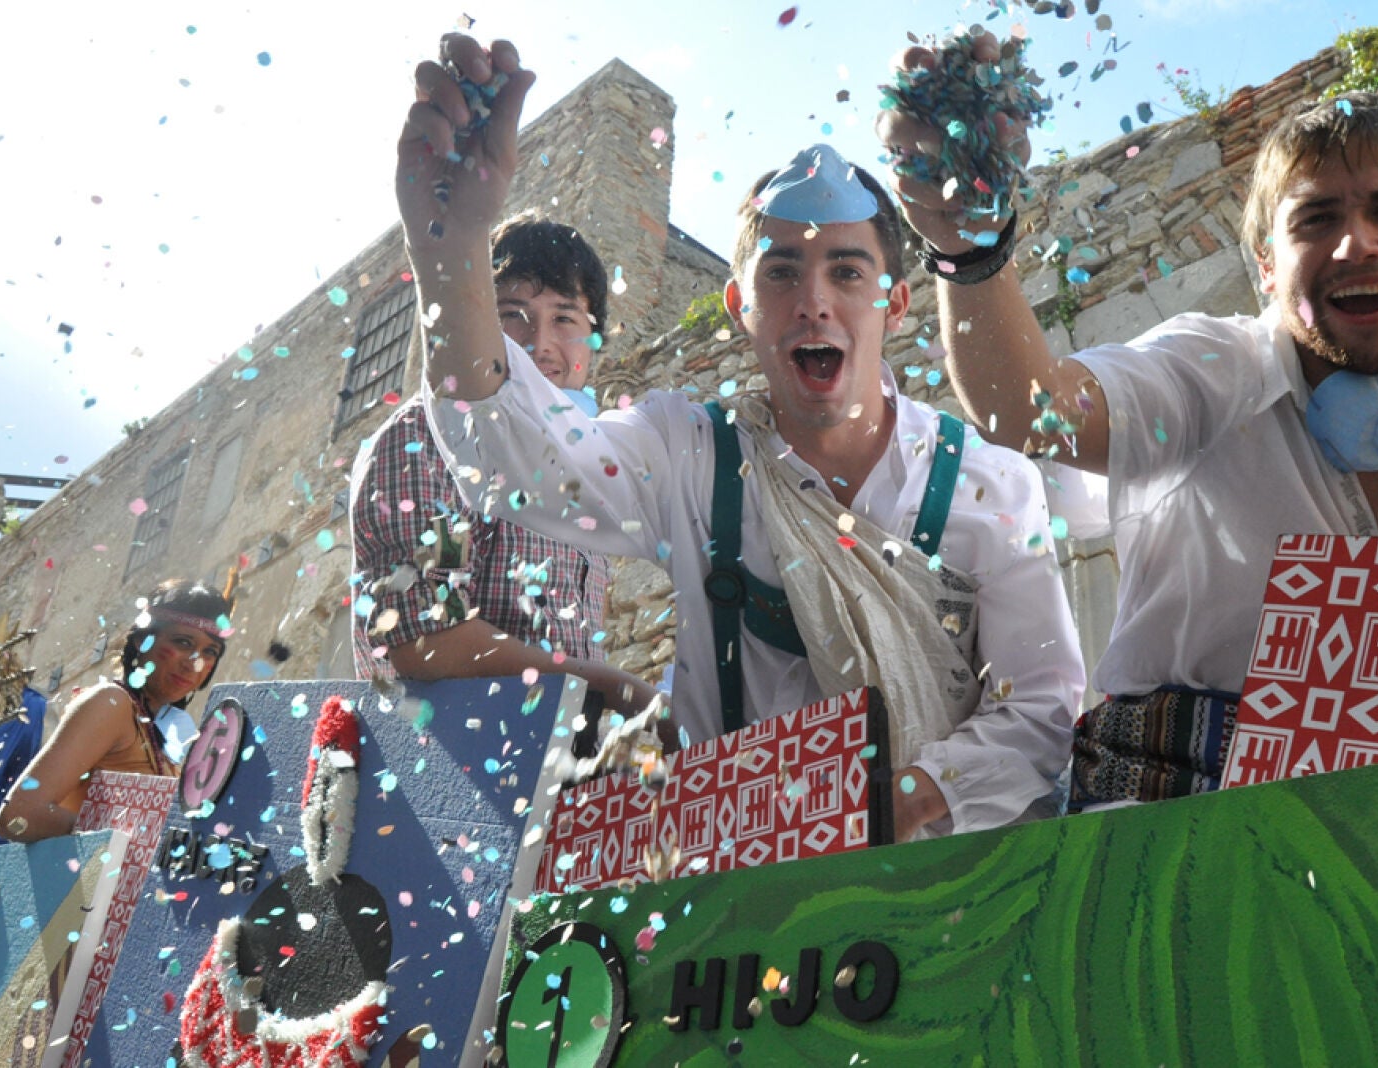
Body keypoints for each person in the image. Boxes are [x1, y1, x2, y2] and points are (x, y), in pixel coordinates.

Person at [396, 33, 1085, 841]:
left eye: (847, 272)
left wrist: (882, 808)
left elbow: (1042, 709)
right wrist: (448, 250)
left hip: (947, 893)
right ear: (739, 307)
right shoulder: (689, 456)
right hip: (736, 901)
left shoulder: (987, 485)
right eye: (782, 272)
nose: (814, 301)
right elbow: (513, 464)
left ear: (895, 305)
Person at [878, 37, 1378, 810]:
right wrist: (969, 247)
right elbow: (1031, 410)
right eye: (1316, 218)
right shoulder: (1214, 370)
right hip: (1185, 822)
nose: (1356, 243)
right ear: (1267, 268)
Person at [349, 211, 660, 720]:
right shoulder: (428, 436)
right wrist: (613, 688)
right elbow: (423, 641)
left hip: (557, 756)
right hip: (444, 753)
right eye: (513, 314)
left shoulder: (590, 463)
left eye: (565, 319)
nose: (540, 342)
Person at [0, 579, 232, 841]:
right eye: (183, 643)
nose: (194, 663)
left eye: (210, 651)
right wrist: (131, 842)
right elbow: (18, 816)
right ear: (143, 640)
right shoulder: (111, 703)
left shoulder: (170, 733)